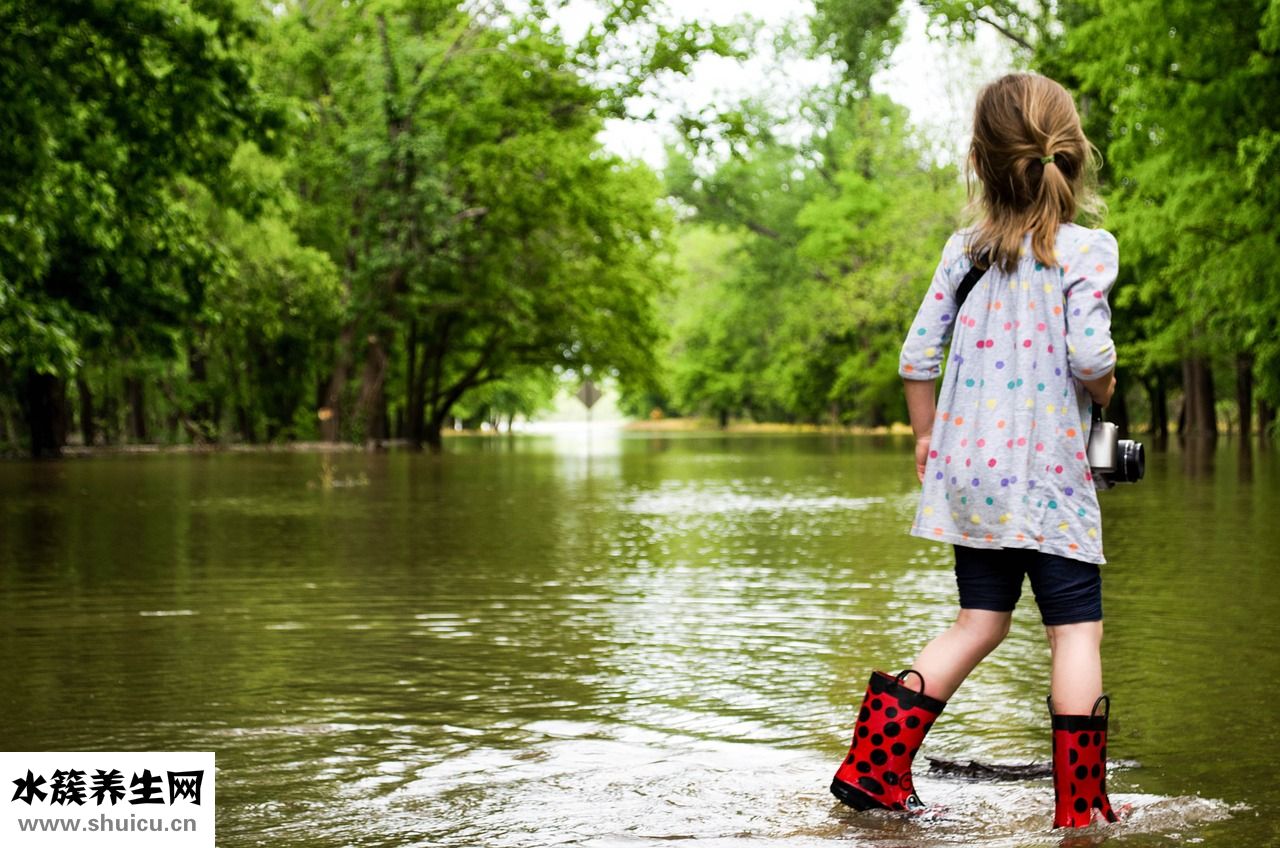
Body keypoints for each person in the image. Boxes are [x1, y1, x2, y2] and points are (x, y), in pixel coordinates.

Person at [829, 73, 1123, 830]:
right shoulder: (1086, 251)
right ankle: (1081, 808)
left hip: (973, 477)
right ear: (1071, 155)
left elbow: (915, 358)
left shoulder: (965, 253)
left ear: (982, 161)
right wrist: (1106, 387)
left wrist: (927, 436)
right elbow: (1091, 358)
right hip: (1050, 478)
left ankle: (872, 770)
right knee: (1075, 633)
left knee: (978, 621)